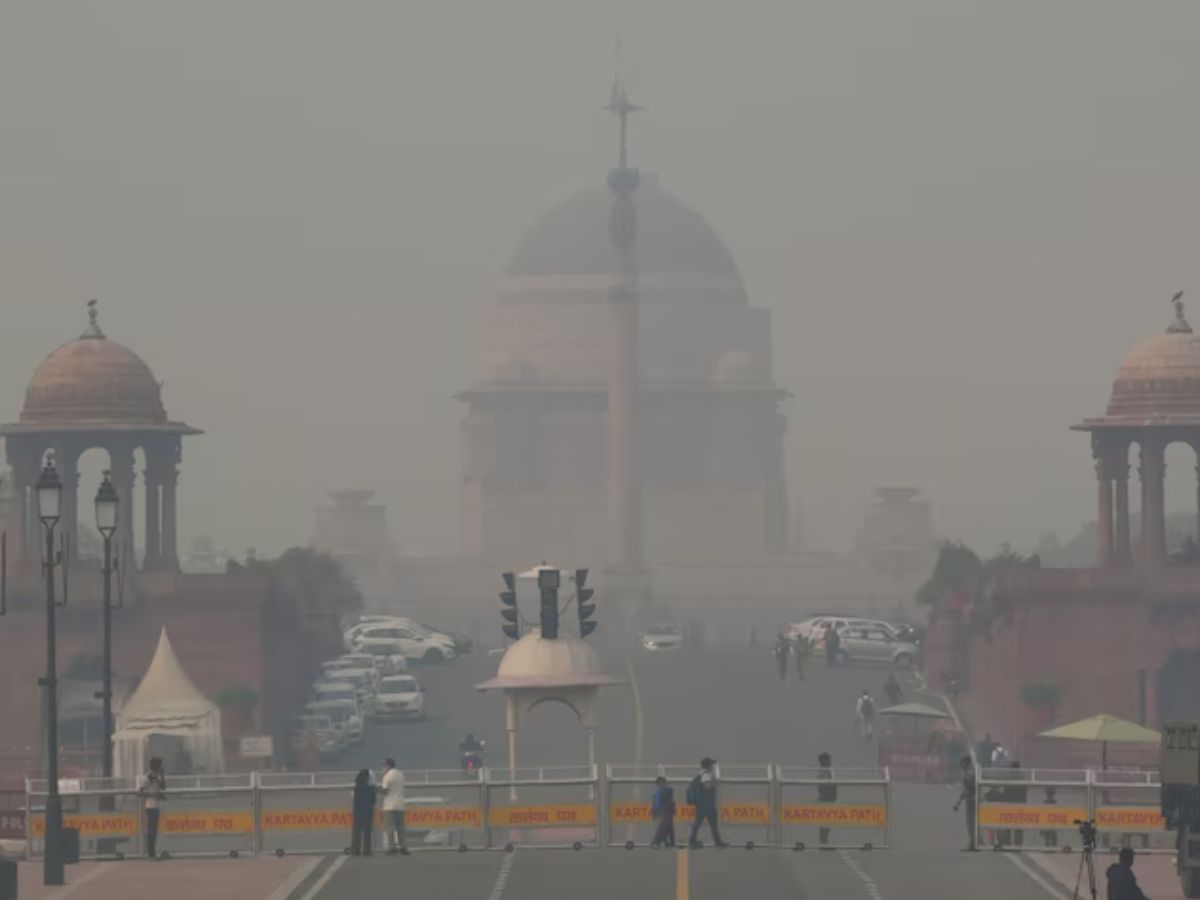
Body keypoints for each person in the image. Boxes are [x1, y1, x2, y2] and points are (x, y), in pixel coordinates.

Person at [687, 757, 727, 848]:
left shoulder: (701, 774)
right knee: (709, 823)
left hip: (702, 804)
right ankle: (717, 842)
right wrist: (715, 781)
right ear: (708, 765)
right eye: (711, 765)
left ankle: (693, 841)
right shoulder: (706, 775)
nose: (713, 767)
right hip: (706, 804)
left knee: (700, 823)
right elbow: (707, 787)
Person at [140, 757, 166, 860]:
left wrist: (162, 776)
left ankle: (153, 852)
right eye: (160, 765)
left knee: (154, 830)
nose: (161, 767)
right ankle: (150, 853)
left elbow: (163, 787)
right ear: (156, 766)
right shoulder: (149, 777)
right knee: (151, 830)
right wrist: (153, 795)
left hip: (156, 806)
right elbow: (142, 790)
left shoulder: (156, 777)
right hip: (150, 806)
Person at [379, 758, 407, 854]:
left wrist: (376, 789)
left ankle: (392, 847)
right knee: (401, 828)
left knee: (390, 828)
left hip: (389, 806)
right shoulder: (400, 774)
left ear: (388, 765)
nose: (383, 768)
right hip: (400, 805)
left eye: (384, 765)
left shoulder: (387, 777)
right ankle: (403, 847)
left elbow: (385, 791)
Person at [952, 755, 978, 851]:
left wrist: (958, 803)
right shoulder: (970, 772)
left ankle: (973, 844)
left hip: (972, 800)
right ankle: (974, 843)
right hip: (971, 799)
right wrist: (958, 803)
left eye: (962, 762)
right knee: (972, 823)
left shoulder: (969, 773)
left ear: (966, 763)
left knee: (971, 823)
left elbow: (968, 789)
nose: (960, 764)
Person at [351, 768, 376, 856]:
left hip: (357, 811)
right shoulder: (370, 788)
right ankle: (366, 850)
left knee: (356, 831)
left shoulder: (356, 787)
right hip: (367, 812)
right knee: (367, 831)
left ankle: (355, 849)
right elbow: (373, 800)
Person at [649, 776, 676, 848]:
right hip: (662, 811)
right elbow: (655, 803)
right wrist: (654, 812)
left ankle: (657, 843)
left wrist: (673, 810)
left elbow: (672, 801)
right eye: (660, 783)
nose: (662, 784)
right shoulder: (658, 792)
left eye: (663, 782)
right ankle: (667, 843)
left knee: (664, 827)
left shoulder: (668, 791)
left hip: (666, 811)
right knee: (665, 827)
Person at [817, 752, 837, 846]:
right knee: (825, 821)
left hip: (829, 798)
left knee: (827, 821)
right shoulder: (823, 771)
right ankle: (823, 843)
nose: (829, 761)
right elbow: (824, 786)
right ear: (823, 761)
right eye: (827, 759)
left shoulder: (829, 770)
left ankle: (824, 842)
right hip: (826, 798)